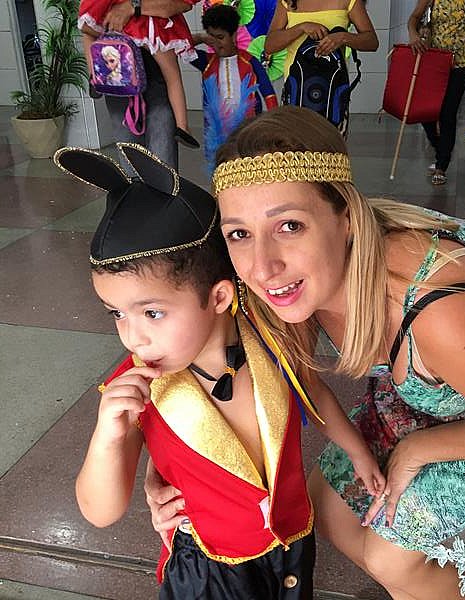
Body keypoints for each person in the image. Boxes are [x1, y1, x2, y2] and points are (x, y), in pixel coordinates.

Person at [149, 105, 465, 599]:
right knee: (330, 508)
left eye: (290, 226)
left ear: (345, 217)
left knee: (393, 558)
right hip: (449, 381)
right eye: (240, 233)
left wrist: (416, 450)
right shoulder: (266, 285)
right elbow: (225, 375)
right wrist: (166, 477)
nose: (263, 267)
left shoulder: (439, 306)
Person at [56, 142, 383, 599]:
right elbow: (100, 511)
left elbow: (312, 394)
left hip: (292, 544)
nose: (133, 338)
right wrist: (107, 436)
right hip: (208, 570)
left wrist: (358, 452)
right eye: (116, 314)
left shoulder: (271, 339)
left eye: (152, 313)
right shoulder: (134, 394)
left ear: (219, 298)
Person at [79, 0, 201, 164]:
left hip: (139, 78)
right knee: (133, 158)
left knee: (160, 160)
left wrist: (133, 7)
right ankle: (183, 126)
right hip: (122, 80)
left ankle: (95, 78)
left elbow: (184, 3)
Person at [408, 0, 465, 186]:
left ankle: (442, 165)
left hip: (461, 63)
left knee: (448, 113)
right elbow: (414, 18)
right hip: (433, 60)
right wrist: (413, 35)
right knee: (425, 111)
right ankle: (441, 149)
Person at [190, 4, 278, 173]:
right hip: (216, 134)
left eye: (220, 37)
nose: (216, 43)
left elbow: (268, 93)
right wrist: (200, 38)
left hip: (249, 129)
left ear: (234, 35)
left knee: (248, 171)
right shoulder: (206, 61)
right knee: (220, 173)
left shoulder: (250, 61)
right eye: (211, 38)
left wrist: (274, 124)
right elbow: (179, 47)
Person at [265, 0, 378, 131]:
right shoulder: (287, 2)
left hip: (333, 90)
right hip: (296, 90)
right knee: (294, 141)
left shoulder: (350, 1)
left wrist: (343, 37)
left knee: (331, 141)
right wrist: (301, 28)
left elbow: (372, 42)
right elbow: (270, 46)